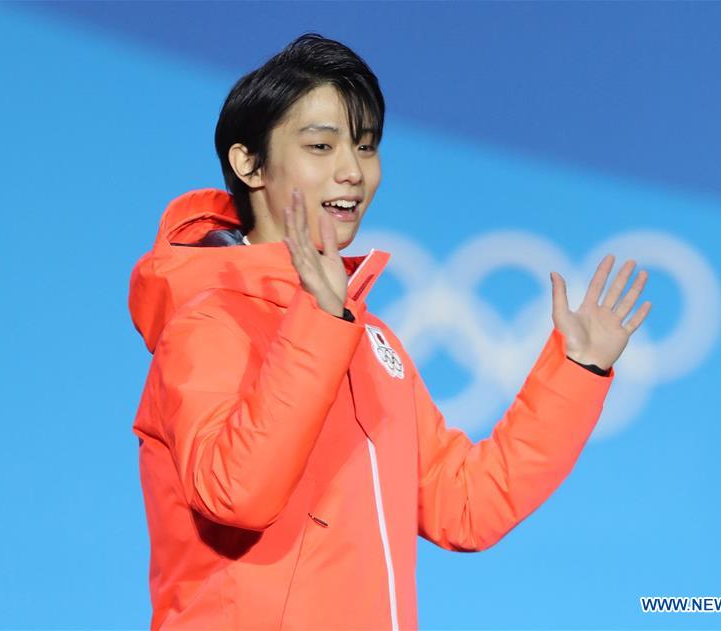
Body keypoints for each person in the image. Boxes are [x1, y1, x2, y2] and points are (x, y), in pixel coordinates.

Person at [128, 32, 650, 630]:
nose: (353, 172)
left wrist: (578, 371)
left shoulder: (368, 339)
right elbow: (236, 492)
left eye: (366, 147)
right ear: (249, 164)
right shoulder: (207, 322)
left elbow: (465, 505)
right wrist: (321, 323)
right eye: (321, 146)